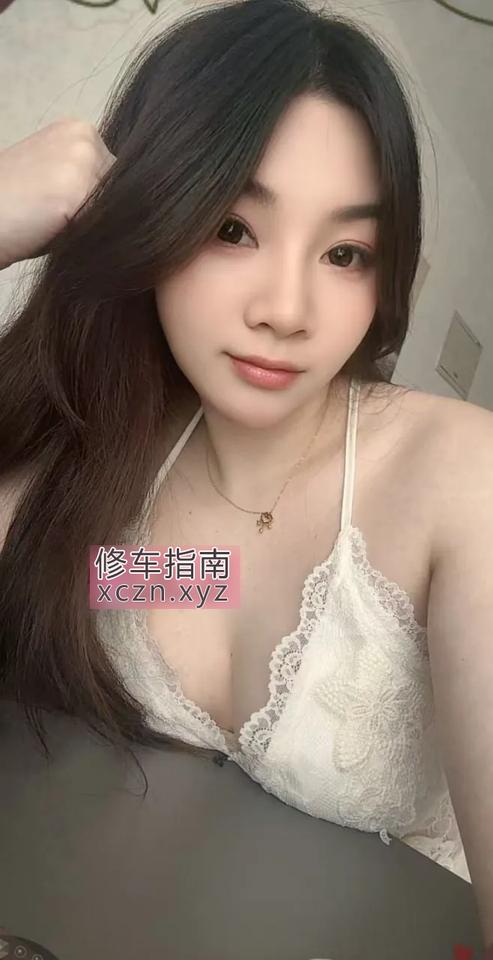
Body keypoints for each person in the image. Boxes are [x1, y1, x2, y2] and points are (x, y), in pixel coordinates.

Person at [0, 0, 492, 945]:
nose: (286, 309)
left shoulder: (458, 484)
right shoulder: (120, 484)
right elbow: (182, 581)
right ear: (151, 212)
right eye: (231, 228)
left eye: (345, 253)